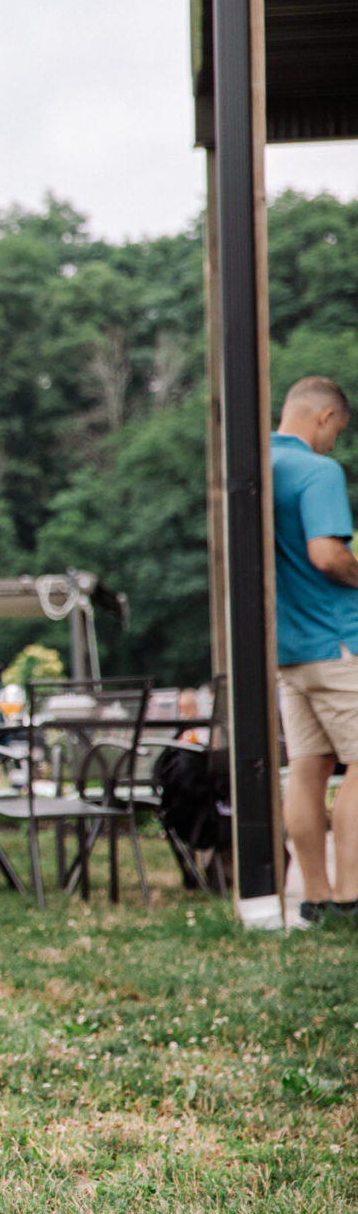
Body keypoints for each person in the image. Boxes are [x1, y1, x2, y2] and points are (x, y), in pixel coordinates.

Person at [270, 374, 358, 923]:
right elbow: (327, 555)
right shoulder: (317, 471)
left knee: (307, 768)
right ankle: (352, 897)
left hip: (288, 651)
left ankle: (315, 898)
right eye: (337, 432)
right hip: (334, 640)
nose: (334, 444)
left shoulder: (258, 468)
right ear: (324, 416)